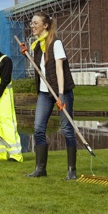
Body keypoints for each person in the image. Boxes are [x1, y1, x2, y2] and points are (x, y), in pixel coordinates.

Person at [26, 11, 78, 180]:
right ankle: (40, 168)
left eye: (35, 23)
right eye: (31, 23)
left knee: (67, 129)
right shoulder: (37, 45)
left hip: (61, 92)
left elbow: (59, 70)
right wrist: (26, 53)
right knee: (38, 128)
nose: (32, 26)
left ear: (45, 25)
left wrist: (61, 95)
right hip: (44, 93)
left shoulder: (55, 43)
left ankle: (71, 170)